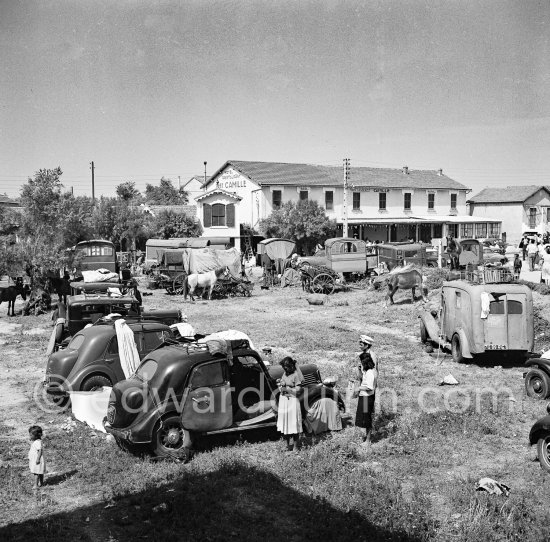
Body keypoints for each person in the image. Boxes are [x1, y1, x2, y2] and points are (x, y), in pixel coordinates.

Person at [276, 357, 304, 452]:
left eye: (286, 367)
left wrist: (287, 388)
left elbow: (298, 391)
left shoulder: (296, 375)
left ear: (292, 366)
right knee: (285, 424)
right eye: (284, 367)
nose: (285, 369)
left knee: (294, 424)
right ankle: (287, 446)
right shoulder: (285, 374)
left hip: (292, 401)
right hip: (284, 400)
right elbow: (283, 386)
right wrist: (280, 385)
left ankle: (295, 447)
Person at [355, 335, 378, 445]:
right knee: (364, 414)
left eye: (361, 344)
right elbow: (362, 375)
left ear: (367, 345)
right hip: (364, 389)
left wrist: (369, 388)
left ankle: (368, 439)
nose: (360, 346)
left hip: (368, 391)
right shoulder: (363, 356)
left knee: (367, 413)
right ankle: (366, 435)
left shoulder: (371, 356)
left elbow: (373, 373)